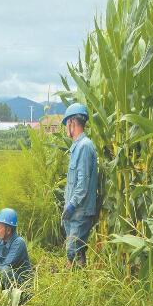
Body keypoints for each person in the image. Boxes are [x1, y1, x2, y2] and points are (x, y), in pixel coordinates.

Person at [61, 102, 98, 266]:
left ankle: (71, 288)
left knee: (72, 252)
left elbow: (82, 184)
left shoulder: (84, 146)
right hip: (74, 213)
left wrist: (71, 205)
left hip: (79, 211)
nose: (65, 128)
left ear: (71, 123)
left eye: (65, 125)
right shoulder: (77, 147)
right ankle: (83, 285)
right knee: (79, 252)